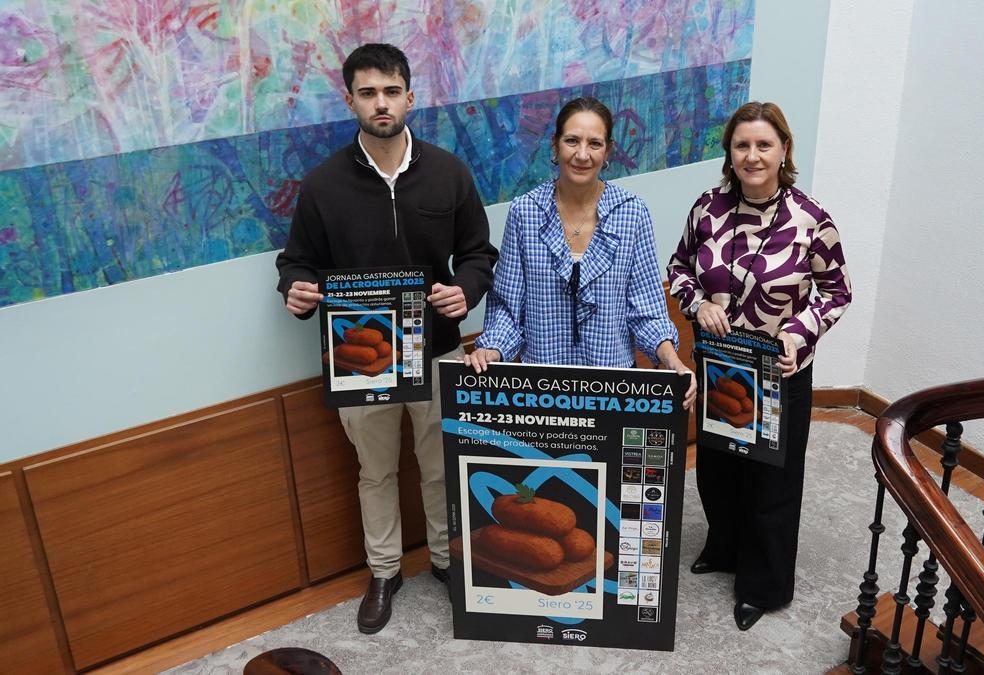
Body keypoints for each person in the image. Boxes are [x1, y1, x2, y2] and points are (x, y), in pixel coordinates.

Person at [275, 43, 497, 634]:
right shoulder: (323, 185)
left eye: (391, 90)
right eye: (368, 92)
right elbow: (297, 262)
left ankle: (450, 563)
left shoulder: (449, 171)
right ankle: (384, 571)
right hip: (360, 360)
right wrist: (295, 290)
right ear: (349, 100)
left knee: (439, 463)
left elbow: (478, 252)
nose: (381, 103)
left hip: (439, 346)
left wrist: (465, 290)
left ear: (410, 97)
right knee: (374, 472)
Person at [666, 101, 851, 631]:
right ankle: (723, 549)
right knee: (719, 471)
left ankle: (763, 585)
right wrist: (696, 302)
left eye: (763, 145)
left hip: (779, 373)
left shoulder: (812, 219)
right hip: (720, 367)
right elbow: (680, 268)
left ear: (783, 150)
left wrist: (799, 331)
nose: (752, 155)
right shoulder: (707, 208)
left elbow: (837, 291)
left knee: (771, 483)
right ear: (730, 152)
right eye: (742, 145)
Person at [463, 97, 695, 409]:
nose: (582, 154)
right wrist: (493, 349)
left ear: (608, 151)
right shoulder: (525, 212)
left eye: (594, 143)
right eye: (572, 140)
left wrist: (672, 361)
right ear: (555, 145)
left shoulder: (632, 214)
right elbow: (508, 305)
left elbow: (648, 310)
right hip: (540, 394)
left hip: (613, 393)